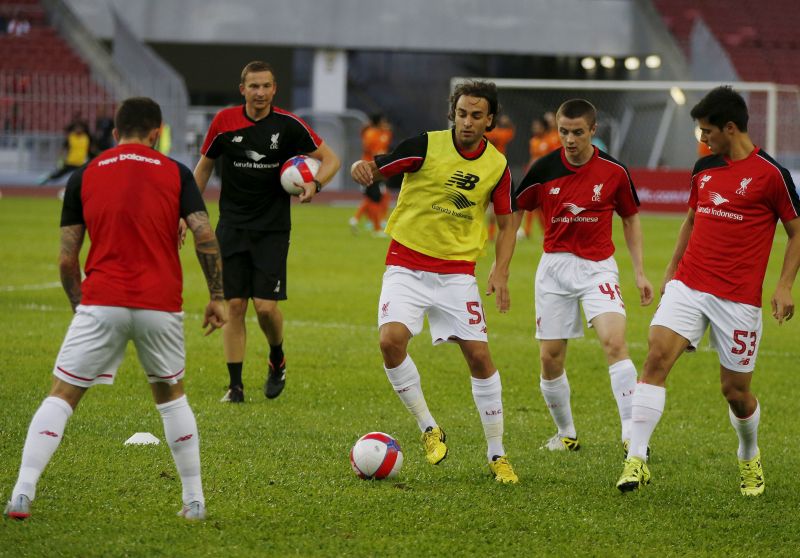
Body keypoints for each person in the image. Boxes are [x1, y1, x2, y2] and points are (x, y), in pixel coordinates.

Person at [3, 97, 226, 521]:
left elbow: (67, 259)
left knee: (63, 395)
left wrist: (79, 306)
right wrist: (216, 296)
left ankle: (22, 493)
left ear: (113, 132)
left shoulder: (84, 174)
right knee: (171, 397)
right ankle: (194, 501)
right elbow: (203, 235)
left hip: (101, 300)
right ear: (156, 132)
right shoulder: (176, 172)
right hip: (160, 303)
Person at [616, 86, 800, 496]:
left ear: (730, 128)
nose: (703, 140)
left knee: (735, 392)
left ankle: (748, 454)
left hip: (738, 299)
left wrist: (784, 284)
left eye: (707, 132)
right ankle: (637, 459)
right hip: (690, 284)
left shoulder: (772, 176)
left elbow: (796, 231)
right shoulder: (704, 169)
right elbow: (691, 219)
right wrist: (671, 270)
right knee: (656, 357)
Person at [350, 80, 519, 483]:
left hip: (457, 272)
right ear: (453, 114)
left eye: (476, 115)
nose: (467, 122)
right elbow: (382, 164)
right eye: (462, 114)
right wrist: (365, 168)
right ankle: (429, 428)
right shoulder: (426, 145)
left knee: (479, 357)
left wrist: (500, 269)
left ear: (489, 120)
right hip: (406, 264)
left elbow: (508, 223)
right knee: (390, 341)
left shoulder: (497, 165)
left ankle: (497, 454)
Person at [194, 60, 341, 403]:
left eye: (266, 86)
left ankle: (277, 357)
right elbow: (203, 168)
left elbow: (331, 158)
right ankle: (236, 386)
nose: (260, 92)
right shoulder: (224, 122)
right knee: (233, 305)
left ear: (274, 90)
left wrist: (315, 184)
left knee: (264, 309)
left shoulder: (288, 126)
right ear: (242, 89)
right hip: (231, 226)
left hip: (272, 229)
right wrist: (185, 213)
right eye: (253, 86)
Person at [514, 98, 653, 454]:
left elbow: (631, 218)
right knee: (550, 359)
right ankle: (566, 433)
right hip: (555, 268)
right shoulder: (544, 168)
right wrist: (501, 268)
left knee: (614, 343)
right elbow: (516, 208)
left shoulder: (614, 171)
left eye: (577, 132)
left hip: (598, 268)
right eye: (564, 131)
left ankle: (630, 434)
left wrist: (639, 272)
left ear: (593, 130)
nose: (570, 139)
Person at [350, 113, 393, 235]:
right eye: (383, 120)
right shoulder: (371, 134)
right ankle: (376, 227)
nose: (385, 123)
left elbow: (386, 140)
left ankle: (359, 219)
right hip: (371, 169)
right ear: (379, 122)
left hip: (380, 168)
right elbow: (373, 150)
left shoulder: (382, 133)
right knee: (375, 197)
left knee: (382, 195)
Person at [484, 114, 515, 241]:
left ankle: (489, 234)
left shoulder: (486, 135)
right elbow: (511, 132)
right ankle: (493, 234)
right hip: (498, 171)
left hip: (485, 170)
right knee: (498, 206)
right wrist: (508, 123)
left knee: (487, 205)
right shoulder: (502, 134)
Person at [40, 120, 91, 184]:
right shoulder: (71, 137)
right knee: (58, 175)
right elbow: (63, 148)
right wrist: (60, 159)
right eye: (77, 128)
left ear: (83, 129)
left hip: (81, 163)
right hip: (70, 161)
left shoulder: (86, 138)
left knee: (84, 178)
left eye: (80, 128)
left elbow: (91, 149)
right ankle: (46, 179)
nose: (78, 129)